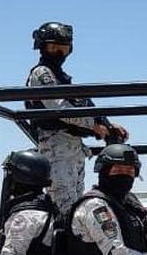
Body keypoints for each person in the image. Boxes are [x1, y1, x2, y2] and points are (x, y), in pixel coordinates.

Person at [27, 21, 128, 214]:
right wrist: (93, 126)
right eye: (53, 47)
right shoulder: (42, 73)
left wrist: (105, 124)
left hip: (73, 146)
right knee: (64, 208)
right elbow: (60, 108)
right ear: (42, 47)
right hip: (57, 145)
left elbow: (82, 105)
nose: (58, 53)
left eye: (62, 48)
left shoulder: (61, 77)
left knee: (75, 206)